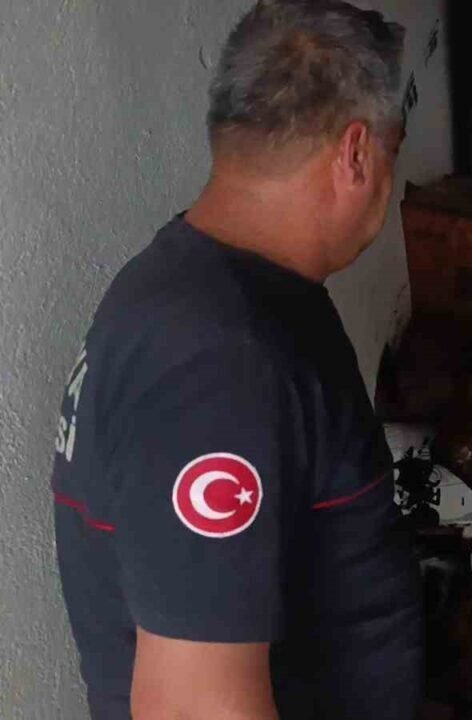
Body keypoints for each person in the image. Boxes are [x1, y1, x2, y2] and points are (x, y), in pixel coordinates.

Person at [49, 2, 424, 718]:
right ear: (355, 154)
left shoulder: (203, 291)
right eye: (391, 151)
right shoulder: (220, 359)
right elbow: (192, 708)